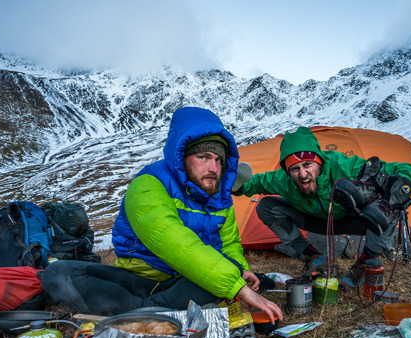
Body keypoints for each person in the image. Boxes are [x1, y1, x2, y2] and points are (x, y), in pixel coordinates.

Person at [41, 107, 283, 324]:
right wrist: (237, 288)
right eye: (204, 157)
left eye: (219, 160)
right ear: (182, 156)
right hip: (140, 280)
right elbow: (173, 241)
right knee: (57, 272)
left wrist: (240, 273)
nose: (213, 168)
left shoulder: (220, 197)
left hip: (187, 281)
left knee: (227, 268)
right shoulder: (148, 185)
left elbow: (229, 244)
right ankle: (150, 311)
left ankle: (143, 316)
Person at [232, 126, 411, 288]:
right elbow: (253, 183)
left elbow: (406, 169)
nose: (303, 174)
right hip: (316, 221)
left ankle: (366, 262)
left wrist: (397, 191)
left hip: (353, 220)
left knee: (387, 210)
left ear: (319, 162)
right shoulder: (283, 180)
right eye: (295, 169)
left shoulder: (344, 167)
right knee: (265, 206)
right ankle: (312, 256)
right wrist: (235, 186)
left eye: (307, 165)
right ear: (288, 171)